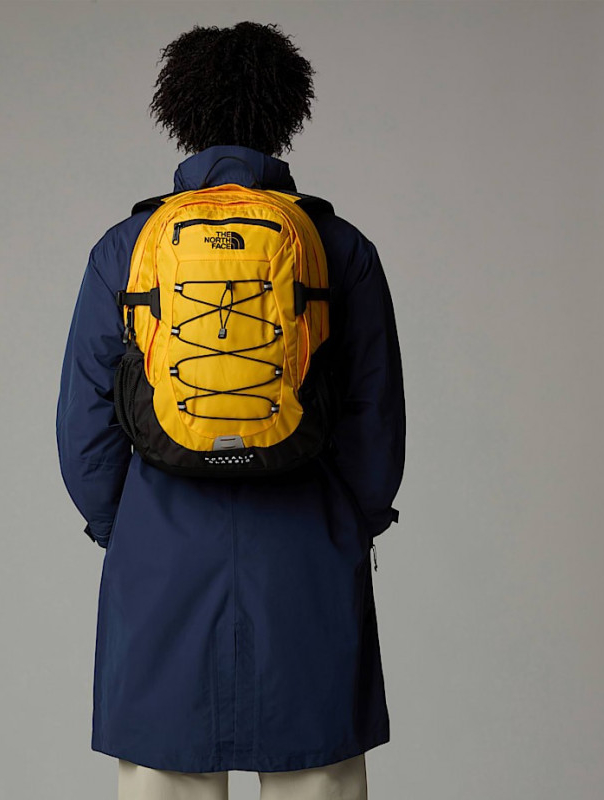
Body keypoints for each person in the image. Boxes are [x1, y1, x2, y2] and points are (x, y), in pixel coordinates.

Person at [56, 21, 406, 800]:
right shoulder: (339, 246)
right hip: (308, 547)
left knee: (166, 776)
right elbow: (375, 416)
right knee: (316, 776)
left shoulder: (127, 246)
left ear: (180, 114)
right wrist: (350, 521)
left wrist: (128, 527)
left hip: (160, 549)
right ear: (286, 113)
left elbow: (85, 424)